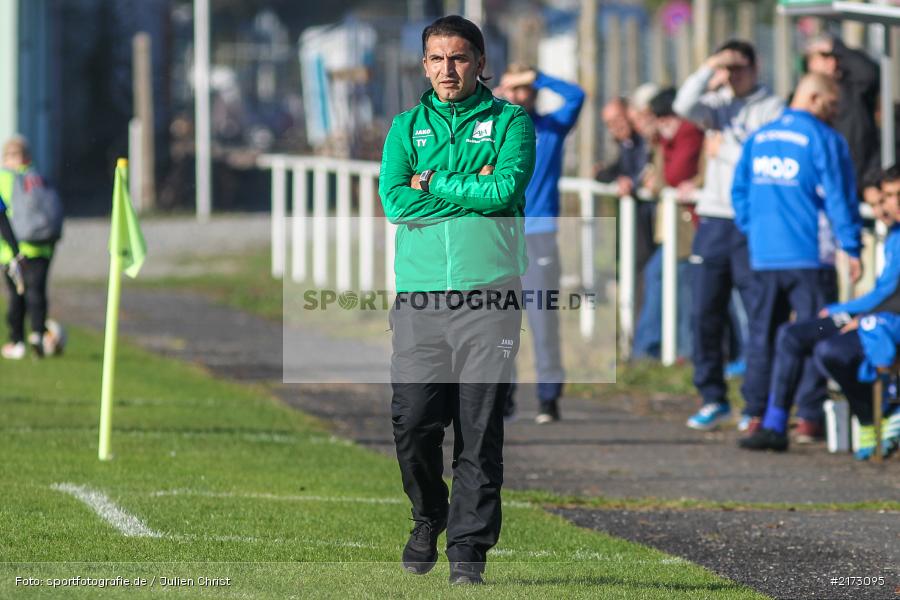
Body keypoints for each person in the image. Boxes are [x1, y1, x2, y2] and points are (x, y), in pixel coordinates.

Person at [378, 15, 535, 585]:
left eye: (460, 57)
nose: (449, 69)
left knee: (479, 428)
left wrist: (434, 182)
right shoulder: (404, 126)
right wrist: (465, 189)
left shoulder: (511, 121)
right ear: (424, 65)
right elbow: (395, 202)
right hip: (420, 299)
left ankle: (468, 553)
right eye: (437, 59)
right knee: (414, 423)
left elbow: (505, 191)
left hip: (489, 297)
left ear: (480, 63)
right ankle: (428, 514)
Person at [731, 73, 863, 443]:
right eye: (833, 105)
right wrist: (851, 246)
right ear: (815, 98)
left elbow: (738, 192)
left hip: (764, 256)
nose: (836, 113)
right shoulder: (824, 139)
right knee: (815, 332)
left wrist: (754, 228)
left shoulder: (759, 138)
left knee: (762, 336)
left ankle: (756, 412)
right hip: (811, 257)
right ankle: (808, 415)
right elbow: (840, 198)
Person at [739, 165, 900, 459]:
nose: (883, 210)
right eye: (877, 203)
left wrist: (849, 311)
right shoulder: (892, 234)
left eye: (887, 200)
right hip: (859, 317)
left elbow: (888, 294)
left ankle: (863, 416)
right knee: (793, 334)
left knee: (828, 350)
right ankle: (775, 424)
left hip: (870, 319)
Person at [673, 39, 784, 432]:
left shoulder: (772, 107)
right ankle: (712, 396)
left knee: (759, 315)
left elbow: (762, 157)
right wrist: (709, 67)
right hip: (713, 220)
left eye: (739, 67)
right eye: (727, 68)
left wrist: (728, 146)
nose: (733, 75)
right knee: (704, 312)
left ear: (755, 68)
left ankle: (756, 402)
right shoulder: (716, 103)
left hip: (752, 221)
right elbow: (683, 105)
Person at [495, 64, 584, 423]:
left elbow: (577, 96)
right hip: (501, 238)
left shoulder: (550, 129)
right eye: (512, 90)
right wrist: (500, 91)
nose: (519, 96)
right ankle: (506, 398)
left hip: (539, 236)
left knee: (542, 320)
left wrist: (537, 76)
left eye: (524, 90)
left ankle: (548, 399)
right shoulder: (494, 130)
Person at [632, 88, 704, 360]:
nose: (661, 124)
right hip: (677, 229)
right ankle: (655, 348)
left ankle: (668, 350)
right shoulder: (669, 140)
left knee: (684, 290)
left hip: (689, 228)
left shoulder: (688, 133)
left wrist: (661, 147)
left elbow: (673, 176)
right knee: (666, 280)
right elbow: (663, 181)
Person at [0, 136, 57, 360]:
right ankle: (38, 336)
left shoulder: (4, 178)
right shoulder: (40, 178)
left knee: (17, 297)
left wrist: (14, 251)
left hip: (13, 251)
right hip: (43, 247)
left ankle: (17, 341)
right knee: (38, 294)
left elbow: (2, 217)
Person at [805, 34, 881, 191]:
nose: (832, 63)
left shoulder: (852, 88)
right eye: (825, 57)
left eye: (836, 58)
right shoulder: (803, 96)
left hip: (859, 179)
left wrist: (835, 47)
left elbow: (869, 72)